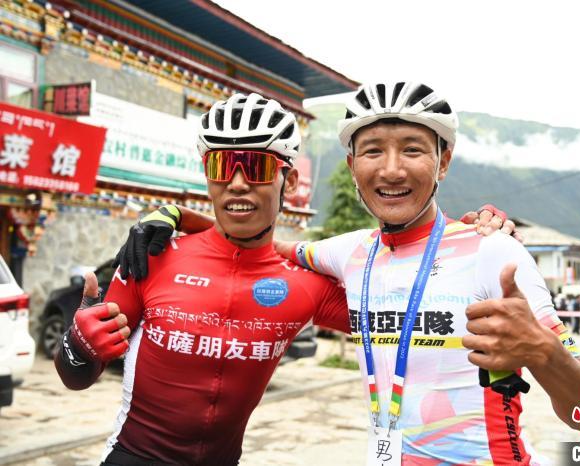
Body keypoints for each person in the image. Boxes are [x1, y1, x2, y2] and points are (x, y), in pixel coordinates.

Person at [119, 82, 580, 464]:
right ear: (353, 166)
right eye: (373, 151)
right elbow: (259, 243)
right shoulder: (347, 252)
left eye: (413, 150)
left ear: (443, 162)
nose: (391, 170)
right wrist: (173, 217)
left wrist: (546, 353)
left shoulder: (492, 251)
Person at [55, 93, 355, 465]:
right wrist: (78, 344)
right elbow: (75, 379)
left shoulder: (307, 283)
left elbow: (402, 324)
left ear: (290, 181)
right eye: (221, 165)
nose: (238, 183)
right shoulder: (153, 257)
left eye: (257, 167)